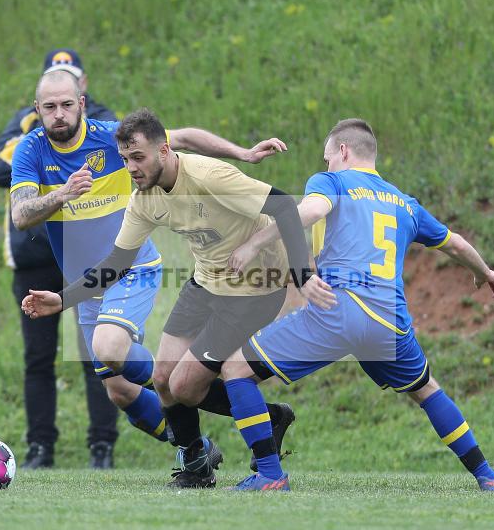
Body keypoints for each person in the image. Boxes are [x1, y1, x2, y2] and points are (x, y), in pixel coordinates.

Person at [219, 118, 494, 491]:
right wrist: (485, 272)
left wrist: (254, 243)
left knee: (236, 370)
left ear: (343, 151)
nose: (326, 166)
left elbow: (309, 211)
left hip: (338, 310)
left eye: (327, 158)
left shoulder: (332, 182)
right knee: (427, 390)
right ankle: (488, 476)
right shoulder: (404, 202)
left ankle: (270, 475)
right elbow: (455, 244)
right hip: (390, 321)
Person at [21, 108, 330, 488]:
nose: (131, 168)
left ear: (164, 151)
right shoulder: (144, 199)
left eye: (138, 157)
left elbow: (283, 206)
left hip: (255, 287)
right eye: (124, 160)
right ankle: (198, 466)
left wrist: (302, 274)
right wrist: (62, 299)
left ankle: (268, 446)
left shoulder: (209, 176)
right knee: (163, 376)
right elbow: (117, 262)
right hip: (207, 281)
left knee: (185, 386)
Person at [0, 48, 119, 469]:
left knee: (95, 353)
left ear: (82, 87)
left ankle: (103, 446)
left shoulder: (100, 119)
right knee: (38, 357)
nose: (60, 109)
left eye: (72, 83)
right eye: (51, 96)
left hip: (87, 253)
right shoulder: (31, 124)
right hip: (35, 255)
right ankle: (39, 448)